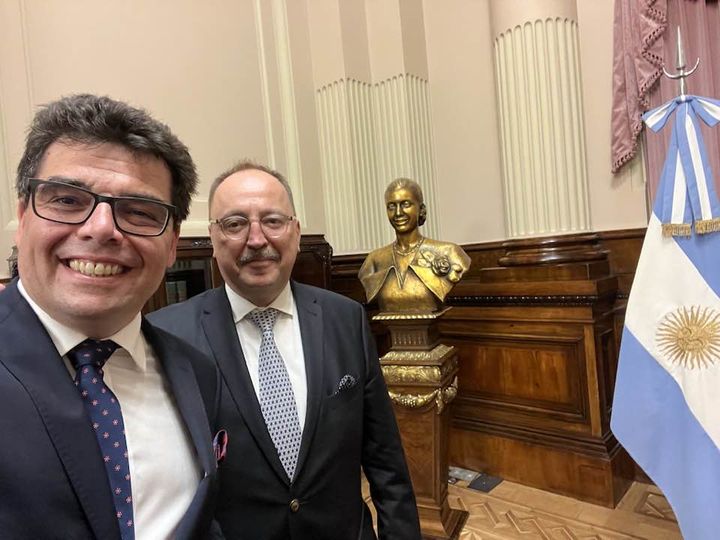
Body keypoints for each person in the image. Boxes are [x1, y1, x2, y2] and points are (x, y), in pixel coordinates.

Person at [148, 161, 421, 540]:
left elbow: (385, 460)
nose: (256, 239)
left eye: (273, 221)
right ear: (213, 236)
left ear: (296, 231)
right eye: (235, 224)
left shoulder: (346, 319)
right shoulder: (167, 335)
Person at [0, 94, 222, 540]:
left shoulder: (197, 374)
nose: (101, 228)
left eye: (138, 211)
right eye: (67, 200)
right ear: (23, 218)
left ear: (172, 243)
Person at [358, 178, 470, 313]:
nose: (398, 213)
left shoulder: (450, 252)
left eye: (406, 204)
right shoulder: (374, 260)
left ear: (421, 209)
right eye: (391, 206)